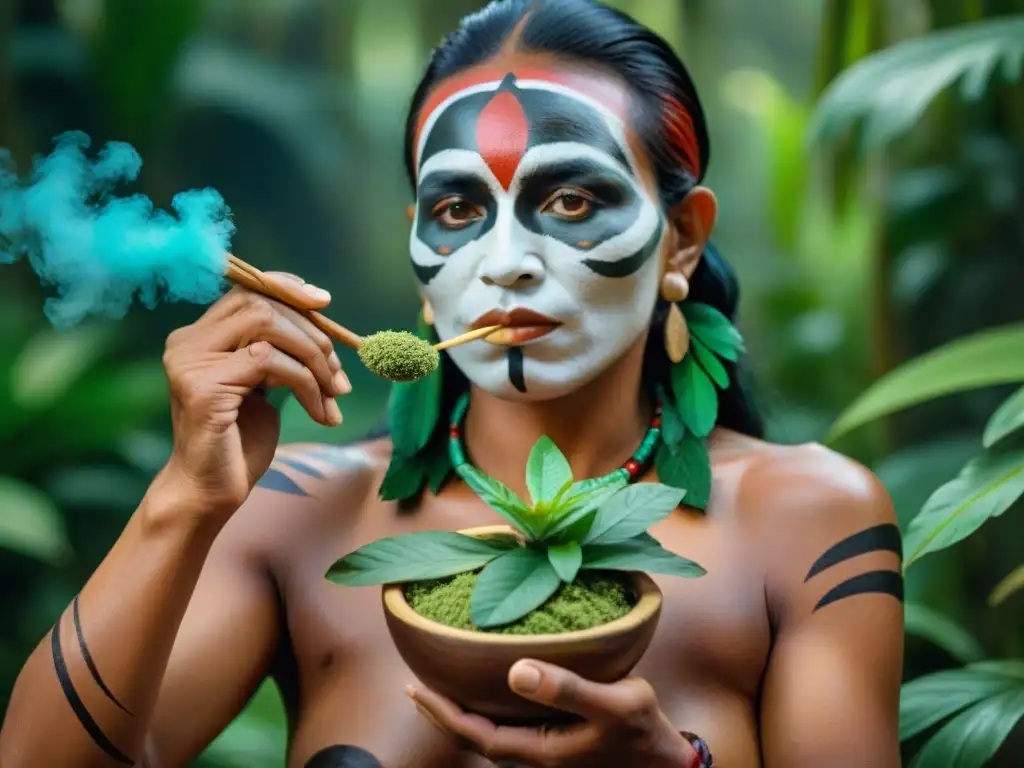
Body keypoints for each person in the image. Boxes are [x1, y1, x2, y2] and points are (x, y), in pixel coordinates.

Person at [0, 0, 904, 766]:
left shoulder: (805, 518)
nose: (504, 262)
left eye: (573, 200)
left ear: (683, 240)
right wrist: (183, 499)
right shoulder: (300, 511)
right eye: (460, 209)